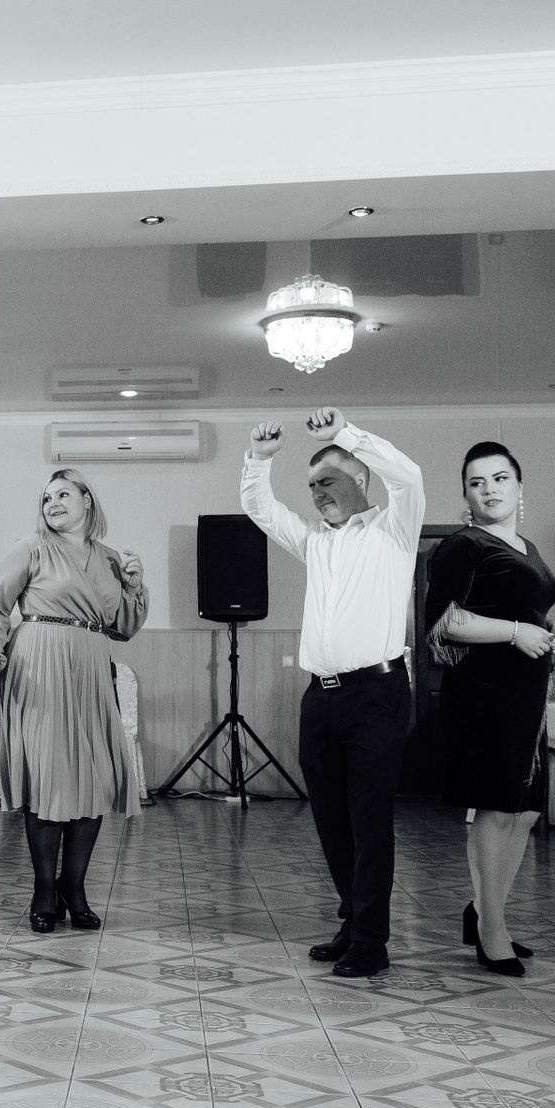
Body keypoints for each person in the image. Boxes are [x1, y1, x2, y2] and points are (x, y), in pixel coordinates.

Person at [242, 405, 425, 979]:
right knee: (331, 819)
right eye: (313, 486)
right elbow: (260, 509)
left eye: (329, 480)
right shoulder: (314, 541)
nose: (319, 493)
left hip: (377, 695)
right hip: (319, 700)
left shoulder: (395, 528)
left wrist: (345, 434)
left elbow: (409, 476)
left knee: (369, 820)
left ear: (360, 477)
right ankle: (352, 920)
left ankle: (372, 939)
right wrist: (259, 459)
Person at [0, 469, 149, 932]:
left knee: (93, 777)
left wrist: (133, 587)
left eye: (64, 494)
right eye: (47, 497)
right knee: (48, 777)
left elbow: (124, 628)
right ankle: (43, 891)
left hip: (91, 667)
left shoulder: (110, 559)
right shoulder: (30, 547)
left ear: (87, 500)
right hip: (39, 665)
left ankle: (75, 887)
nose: (52, 503)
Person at [424, 442, 555, 978]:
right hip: (484, 693)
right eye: (476, 482)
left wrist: (552, 625)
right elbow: (443, 622)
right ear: (465, 494)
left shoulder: (525, 546)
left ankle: (484, 911)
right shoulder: (462, 545)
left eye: (499, 478)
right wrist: (517, 632)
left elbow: (521, 604)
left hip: (527, 696)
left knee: (524, 810)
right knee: (495, 808)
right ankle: (492, 930)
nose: (489, 489)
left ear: (519, 486)